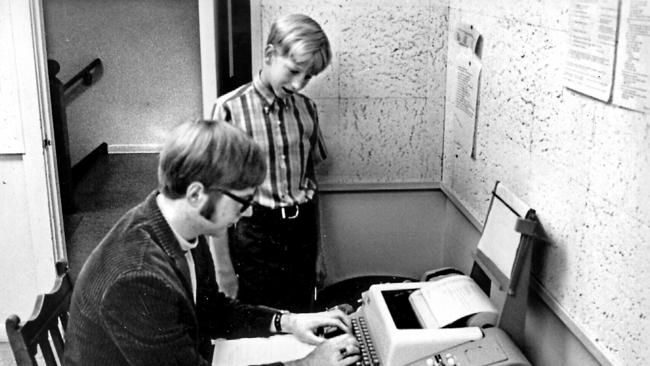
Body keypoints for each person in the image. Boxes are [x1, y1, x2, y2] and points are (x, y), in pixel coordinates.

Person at [63, 119, 359, 366]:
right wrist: (307, 364)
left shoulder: (179, 224)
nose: (249, 212)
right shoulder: (138, 277)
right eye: (242, 201)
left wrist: (289, 322)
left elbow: (211, 310)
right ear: (195, 195)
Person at [210, 13, 331, 313]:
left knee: (303, 318)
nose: (299, 84)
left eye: (308, 77)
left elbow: (310, 180)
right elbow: (215, 196)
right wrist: (223, 270)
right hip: (255, 236)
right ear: (269, 55)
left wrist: (318, 252)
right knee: (264, 323)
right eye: (293, 71)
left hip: (301, 233)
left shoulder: (307, 109)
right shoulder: (228, 110)